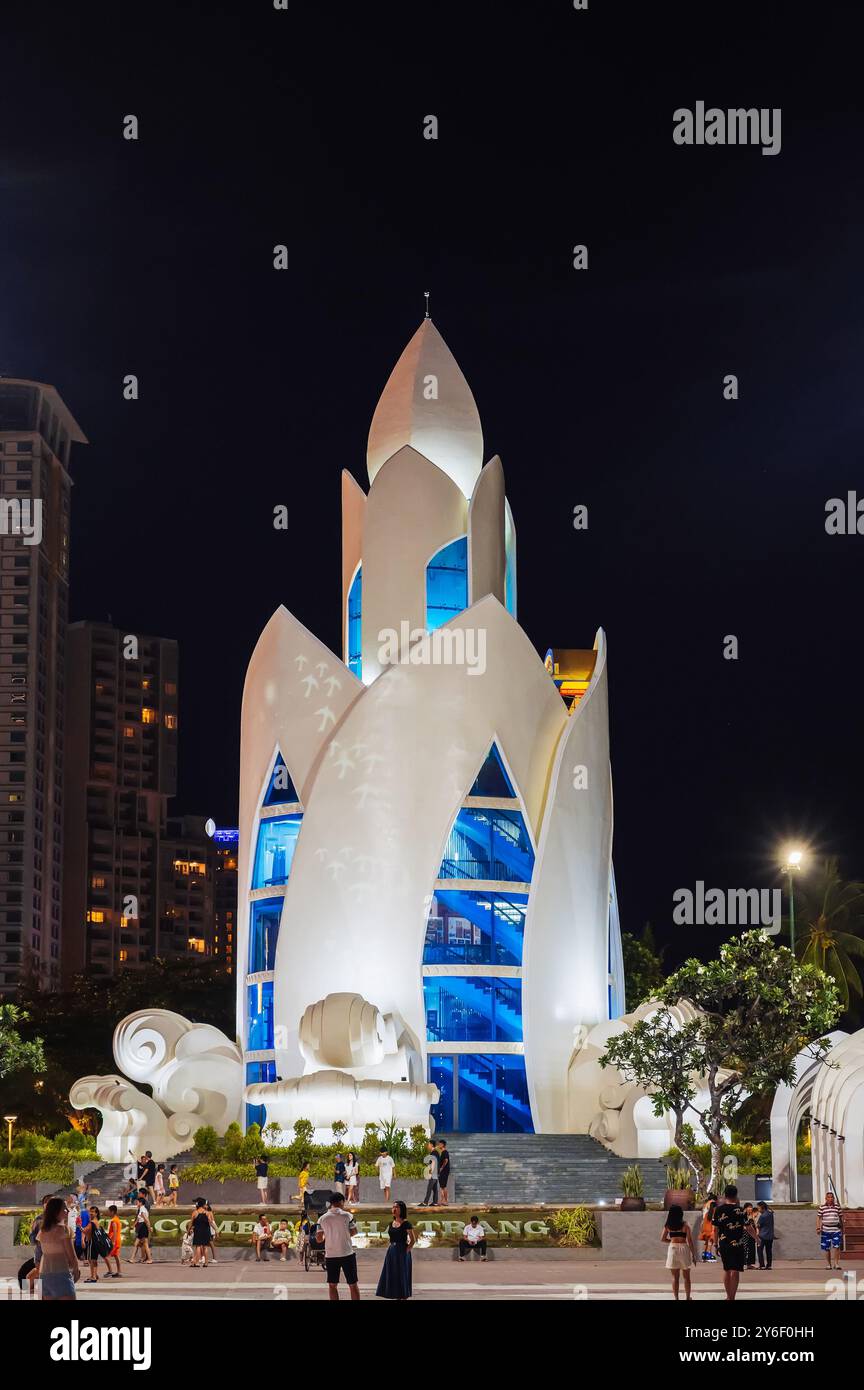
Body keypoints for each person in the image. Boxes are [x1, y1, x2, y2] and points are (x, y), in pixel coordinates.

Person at [315, 1191, 360, 1301]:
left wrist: (330, 1235)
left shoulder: (322, 1219)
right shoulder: (348, 1215)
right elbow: (354, 1232)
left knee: (332, 1285)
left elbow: (319, 1239)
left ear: (331, 1203)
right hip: (347, 1254)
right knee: (353, 1284)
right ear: (341, 1202)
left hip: (331, 1255)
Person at [37, 1196, 80, 1301]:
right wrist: (76, 1270)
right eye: (64, 1209)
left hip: (44, 1275)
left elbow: (42, 1253)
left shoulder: (42, 1231)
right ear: (57, 1211)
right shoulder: (64, 1230)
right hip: (61, 1273)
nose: (68, 1211)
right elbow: (72, 1256)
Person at [712, 1184, 746, 1301]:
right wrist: (757, 1238)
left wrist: (715, 1244)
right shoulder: (741, 1211)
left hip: (724, 1244)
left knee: (727, 1269)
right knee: (735, 1270)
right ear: (736, 1196)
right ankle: (733, 1297)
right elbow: (748, 1227)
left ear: (725, 1196)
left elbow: (715, 1229)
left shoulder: (718, 1210)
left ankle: (728, 1296)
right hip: (738, 1243)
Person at [376, 1200, 415, 1300]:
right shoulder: (391, 1223)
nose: (394, 1209)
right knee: (393, 1274)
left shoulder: (406, 1224)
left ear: (401, 1209)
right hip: (392, 1251)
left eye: (396, 1207)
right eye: (393, 1207)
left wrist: (407, 1250)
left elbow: (413, 1240)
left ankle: (403, 1296)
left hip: (402, 1251)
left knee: (402, 1274)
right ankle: (395, 1295)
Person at [661, 1204, 696, 1301]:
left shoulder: (668, 1225)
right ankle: (688, 1297)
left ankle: (676, 1298)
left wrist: (671, 1241)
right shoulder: (685, 1225)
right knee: (686, 1277)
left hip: (673, 1249)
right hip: (684, 1248)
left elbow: (662, 1239)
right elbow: (690, 1241)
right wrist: (693, 1255)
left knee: (675, 1277)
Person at [82, 1205, 112, 1283]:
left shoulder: (92, 1223)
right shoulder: (96, 1222)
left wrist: (79, 1225)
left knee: (92, 1260)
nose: (90, 1213)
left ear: (96, 1213)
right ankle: (94, 1275)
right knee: (93, 1260)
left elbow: (85, 1231)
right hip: (95, 1243)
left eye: (92, 1212)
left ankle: (93, 1276)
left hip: (92, 1243)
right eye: (90, 1212)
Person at [817, 1191, 843, 1270]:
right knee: (827, 1248)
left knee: (837, 1247)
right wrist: (818, 1227)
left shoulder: (837, 1207)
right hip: (825, 1230)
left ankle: (836, 1264)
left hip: (836, 1230)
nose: (830, 1199)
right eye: (828, 1197)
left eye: (832, 1197)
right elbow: (819, 1218)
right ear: (826, 1198)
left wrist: (842, 1228)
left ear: (833, 1198)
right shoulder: (822, 1207)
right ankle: (829, 1264)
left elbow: (841, 1217)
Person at [129, 1196, 153, 1265]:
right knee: (138, 1244)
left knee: (144, 1244)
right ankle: (132, 1259)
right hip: (142, 1227)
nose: (136, 1203)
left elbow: (146, 1220)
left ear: (141, 1203)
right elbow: (138, 1219)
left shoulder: (142, 1209)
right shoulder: (142, 1209)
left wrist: (149, 1228)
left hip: (143, 1227)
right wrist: (133, 1225)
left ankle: (149, 1259)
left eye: (137, 1202)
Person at [190, 1198, 213, 1267]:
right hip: (206, 1231)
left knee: (198, 1246)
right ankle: (206, 1263)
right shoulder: (207, 1213)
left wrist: (188, 1231)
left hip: (198, 1231)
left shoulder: (195, 1212)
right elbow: (210, 1222)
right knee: (205, 1247)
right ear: (203, 1205)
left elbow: (191, 1223)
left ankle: (196, 1262)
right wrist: (216, 1230)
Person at [105, 1205, 123, 1278]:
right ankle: (119, 1272)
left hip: (114, 1240)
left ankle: (111, 1271)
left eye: (109, 1212)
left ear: (112, 1212)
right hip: (117, 1239)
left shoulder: (114, 1221)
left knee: (107, 1256)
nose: (108, 1213)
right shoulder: (117, 1219)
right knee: (116, 1256)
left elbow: (114, 1231)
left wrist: (113, 1241)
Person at [419, 1141, 439, 1208]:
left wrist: (431, 1171)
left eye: (428, 1144)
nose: (428, 1146)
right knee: (435, 1188)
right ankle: (435, 1202)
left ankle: (425, 1202)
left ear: (431, 1145)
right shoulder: (436, 1152)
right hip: (436, 1173)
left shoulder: (433, 1153)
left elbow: (433, 1162)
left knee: (429, 1188)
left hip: (433, 1173)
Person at [699, 1192, 717, 1261]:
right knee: (711, 1240)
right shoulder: (711, 1203)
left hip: (704, 1223)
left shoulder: (705, 1205)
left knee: (706, 1240)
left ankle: (704, 1254)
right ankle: (709, 1254)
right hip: (710, 1223)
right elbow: (713, 1214)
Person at [756, 1201, 774, 1269]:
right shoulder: (770, 1214)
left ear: (762, 1208)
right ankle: (769, 1265)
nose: (758, 1210)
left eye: (758, 1208)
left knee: (759, 1250)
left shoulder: (762, 1216)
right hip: (770, 1236)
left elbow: (758, 1225)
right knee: (769, 1251)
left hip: (762, 1236)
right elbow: (772, 1211)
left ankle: (762, 1265)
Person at [742, 1203, 758, 1269]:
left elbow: (754, 1224)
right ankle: (742, 1264)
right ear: (745, 1208)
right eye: (749, 1207)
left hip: (751, 1234)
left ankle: (749, 1264)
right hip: (745, 1235)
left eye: (751, 1207)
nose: (751, 1208)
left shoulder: (751, 1215)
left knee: (751, 1249)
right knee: (745, 1249)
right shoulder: (743, 1215)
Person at [436, 1139, 451, 1205]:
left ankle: (446, 1201)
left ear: (442, 1145)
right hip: (442, 1171)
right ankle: (442, 1201)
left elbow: (446, 1160)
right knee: (442, 1186)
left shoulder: (445, 1152)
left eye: (439, 1144)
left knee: (443, 1186)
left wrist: (441, 1168)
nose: (439, 1145)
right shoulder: (442, 1152)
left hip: (444, 1171)